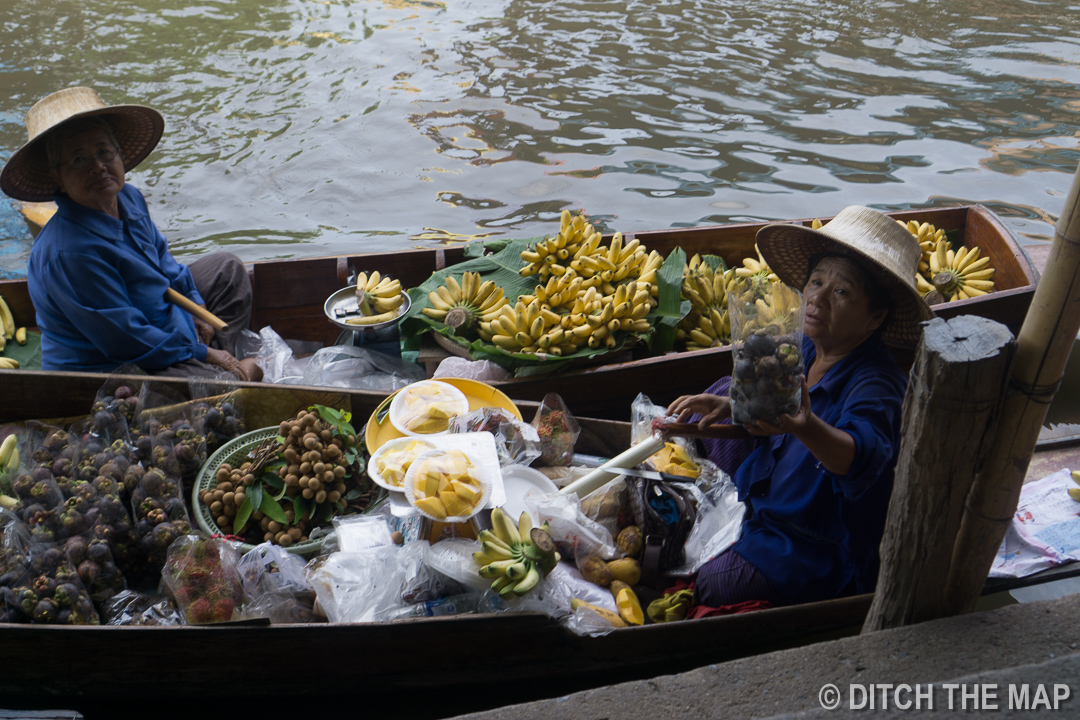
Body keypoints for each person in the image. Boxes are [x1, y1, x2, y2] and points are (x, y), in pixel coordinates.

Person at [668, 205, 934, 608]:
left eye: (841, 292)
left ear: (874, 316)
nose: (817, 299)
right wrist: (727, 407)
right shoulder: (808, 345)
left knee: (710, 584)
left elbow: (862, 458)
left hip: (813, 541)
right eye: (816, 282)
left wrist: (806, 426)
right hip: (773, 481)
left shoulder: (877, 383)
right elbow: (770, 411)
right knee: (725, 389)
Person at [0, 86, 261, 381]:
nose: (98, 167)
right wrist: (206, 353)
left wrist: (196, 303)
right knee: (213, 389)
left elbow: (162, 259)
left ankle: (219, 365)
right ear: (57, 177)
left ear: (119, 155)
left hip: (160, 323)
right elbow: (125, 339)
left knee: (227, 269)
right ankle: (219, 367)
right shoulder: (69, 253)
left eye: (103, 152)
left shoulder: (129, 197)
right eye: (79, 160)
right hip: (111, 364)